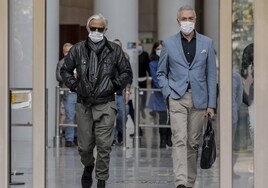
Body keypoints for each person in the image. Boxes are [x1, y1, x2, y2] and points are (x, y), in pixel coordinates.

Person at [60, 14, 133, 188]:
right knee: (85, 147)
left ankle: (101, 179)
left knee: (104, 145)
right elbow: (65, 71)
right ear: (88, 28)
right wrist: (76, 86)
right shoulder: (77, 49)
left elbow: (126, 72)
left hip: (106, 103)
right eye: (93, 28)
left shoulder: (114, 50)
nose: (96, 31)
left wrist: (113, 85)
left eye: (100, 29)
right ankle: (88, 165)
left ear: (106, 30)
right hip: (83, 103)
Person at [157, 5, 217, 188]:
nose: (187, 22)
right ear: (178, 21)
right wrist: (168, 92)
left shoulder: (207, 43)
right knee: (179, 139)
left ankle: (190, 181)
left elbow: (211, 75)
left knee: (193, 143)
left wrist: (211, 104)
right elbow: (161, 73)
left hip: (200, 99)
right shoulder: (168, 43)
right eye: (184, 19)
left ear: (195, 19)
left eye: (190, 18)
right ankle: (181, 182)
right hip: (177, 97)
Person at [148, 40, 172, 148]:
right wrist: (164, 89)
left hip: (172, 92)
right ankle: (162, 139)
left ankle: (169, 137)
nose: (160, 51)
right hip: (159, 93)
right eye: (158, 49)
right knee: (162, 116)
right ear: (154, 50)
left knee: (172, 115)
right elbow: (155, 78)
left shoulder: (170, 61)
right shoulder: (153, 63)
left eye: (162, 48)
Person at [56, 43, 77, 147]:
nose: (69, 54)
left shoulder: (80, 62)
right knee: (70, 116)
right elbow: (59, 77)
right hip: (68, 92)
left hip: (80, 93)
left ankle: (77, 138)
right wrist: (71, 77)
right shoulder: (61, 63)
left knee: (79, 116)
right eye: (66, 51)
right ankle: (69, 139)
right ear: (63, 53)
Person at [112, 39, 132, 145]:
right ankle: (113, 138)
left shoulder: (124, 60)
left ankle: (120, 132)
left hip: (121, 93)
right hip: (109, 93)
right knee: (110, 117)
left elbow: (129, 76)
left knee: (122, 114)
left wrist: (127, 91)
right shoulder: (107, 58)